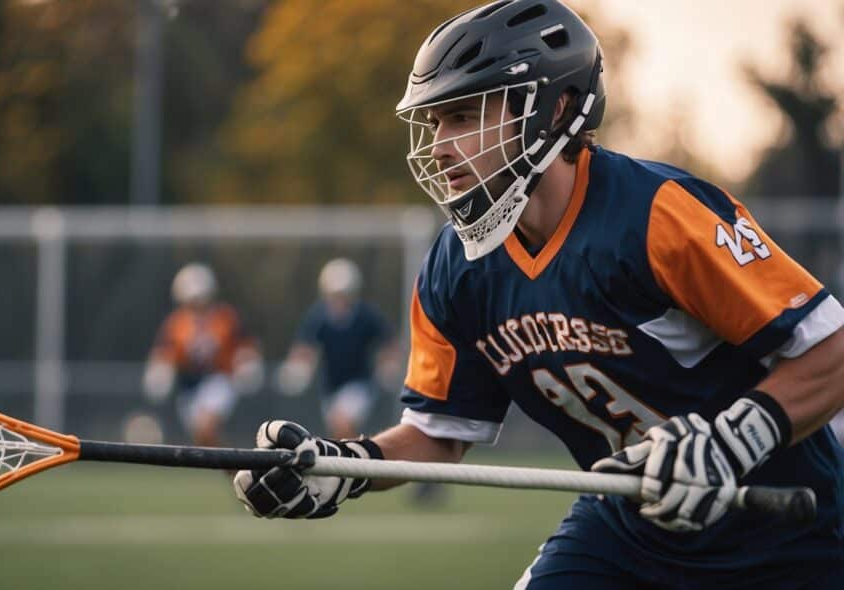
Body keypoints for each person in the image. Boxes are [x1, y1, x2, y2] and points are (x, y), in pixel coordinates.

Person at [233, 1, 844, 588]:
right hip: (630, 528)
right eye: (436, 120)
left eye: (465, 116)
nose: (441, 144)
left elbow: (832, 349)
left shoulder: (655, 215)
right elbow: (437, 434)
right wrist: (343, 467)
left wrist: (731, 442)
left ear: (556, 109)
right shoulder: (456, 266)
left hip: (789, 532)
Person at [275, 258, 399, 439]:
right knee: (339, 434)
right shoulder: (319, 317)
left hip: (359, 384)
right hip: (331, 388)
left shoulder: (365, 315)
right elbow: (304, 347)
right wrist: (297, 369)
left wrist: (388, 364)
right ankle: (361, 462)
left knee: (342, 423)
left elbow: (389, 342)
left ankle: (361, 461)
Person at [143, 262, 262, 448]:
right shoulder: (176, 324)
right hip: (188, 388)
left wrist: (247, 364)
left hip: (218, 379)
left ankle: (237, 467)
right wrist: (159, 373)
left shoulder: (224, 317)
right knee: (204, 440)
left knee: (206, 427)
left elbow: (244, 344)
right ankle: (236, 468)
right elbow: (164, 353)